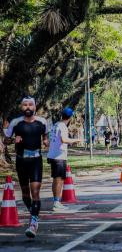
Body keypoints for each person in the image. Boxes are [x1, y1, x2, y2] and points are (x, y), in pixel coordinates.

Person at [4, 97, 48, 238]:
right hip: (21, 160)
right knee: (25, 194)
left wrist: (46, 141)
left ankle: (33, 223)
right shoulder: (16, 122)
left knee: (35, 191)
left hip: (36, 160)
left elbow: (45, 136)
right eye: (25, 105)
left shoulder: (42, 122)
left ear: (35, 106)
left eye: (30, 104)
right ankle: (34, 213)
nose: (28, 107)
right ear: (21, 107)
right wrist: (13, 140)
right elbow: (6, 139)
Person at [47, 107, 80, 212]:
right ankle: (56, 203)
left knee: (56, 179)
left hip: (53, 155)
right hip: (59, 156)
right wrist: (76, 140)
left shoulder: (56, 125)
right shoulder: (63, 127)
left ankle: (56, 201)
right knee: (59, 180)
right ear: (70, 117)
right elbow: (64, 140)